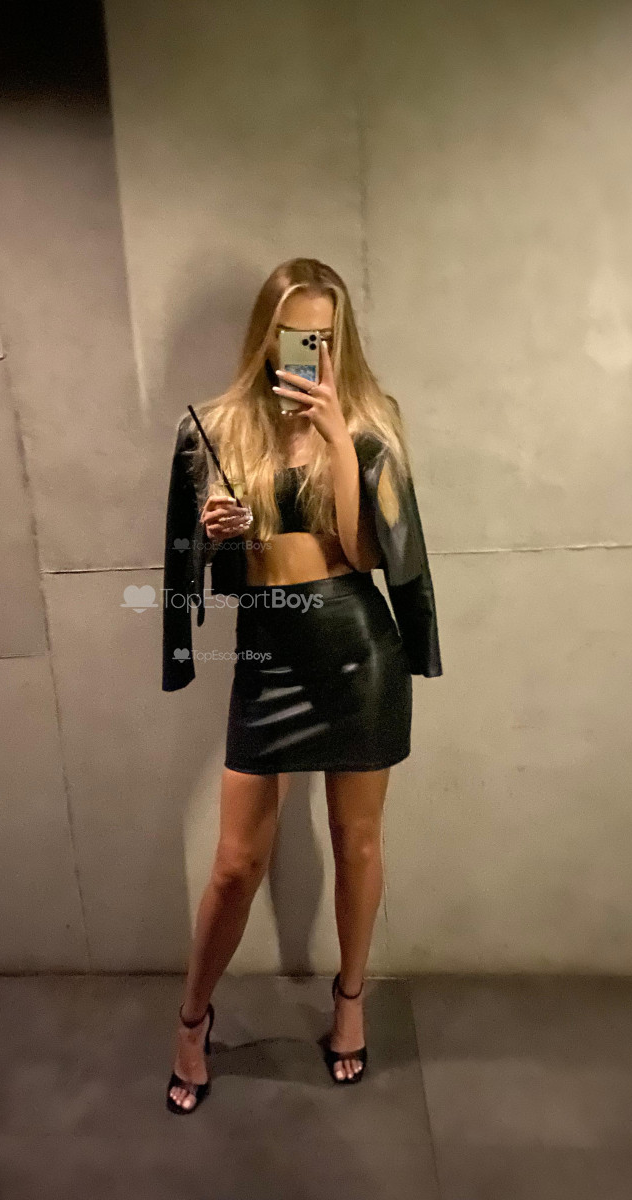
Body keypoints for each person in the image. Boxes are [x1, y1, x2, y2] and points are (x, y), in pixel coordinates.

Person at [161, 257, 442, 1113]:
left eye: (324, 336)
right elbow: (204, 561)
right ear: (266, 334)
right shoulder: (216, 429)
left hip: (358, 655)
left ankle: (350, 1002)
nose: (309, 352)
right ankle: (192, 1018)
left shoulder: (370, 424)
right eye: (295, 335)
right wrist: (217, 535)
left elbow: (368, 553)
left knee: (357, 844)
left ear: (340, 339)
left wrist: (336, 443)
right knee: (235, 864)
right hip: (268, 656)